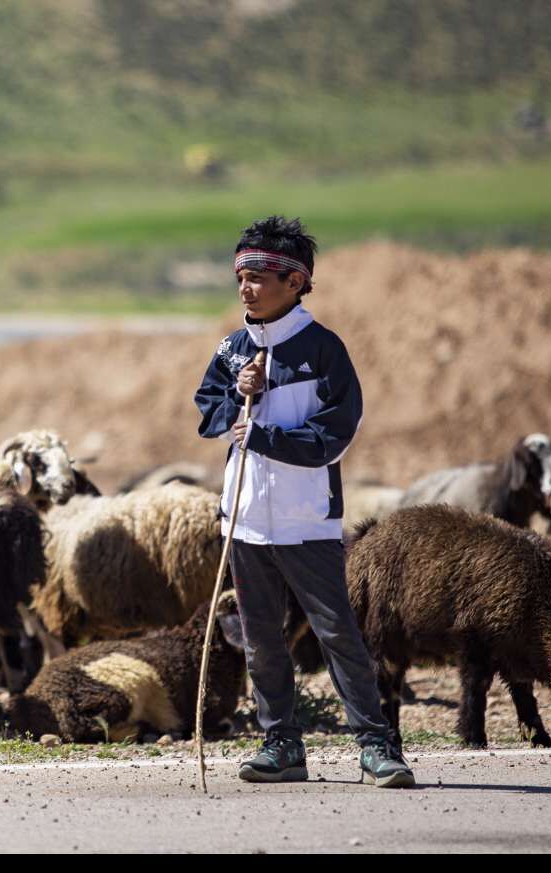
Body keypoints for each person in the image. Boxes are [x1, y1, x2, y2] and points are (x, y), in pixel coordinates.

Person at [193, 215, 414, 788]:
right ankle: (281, 746)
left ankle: (376, 745)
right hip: (245, 520)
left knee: (337, 631)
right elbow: (207, 409)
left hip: (306, 518)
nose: (246, 286)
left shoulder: (323, 349)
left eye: (261, 275)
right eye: (241, 273)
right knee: (261, 639)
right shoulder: (233, 345)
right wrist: (235, 391)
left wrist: (264, 435)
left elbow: (336, 432)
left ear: (296, 282)